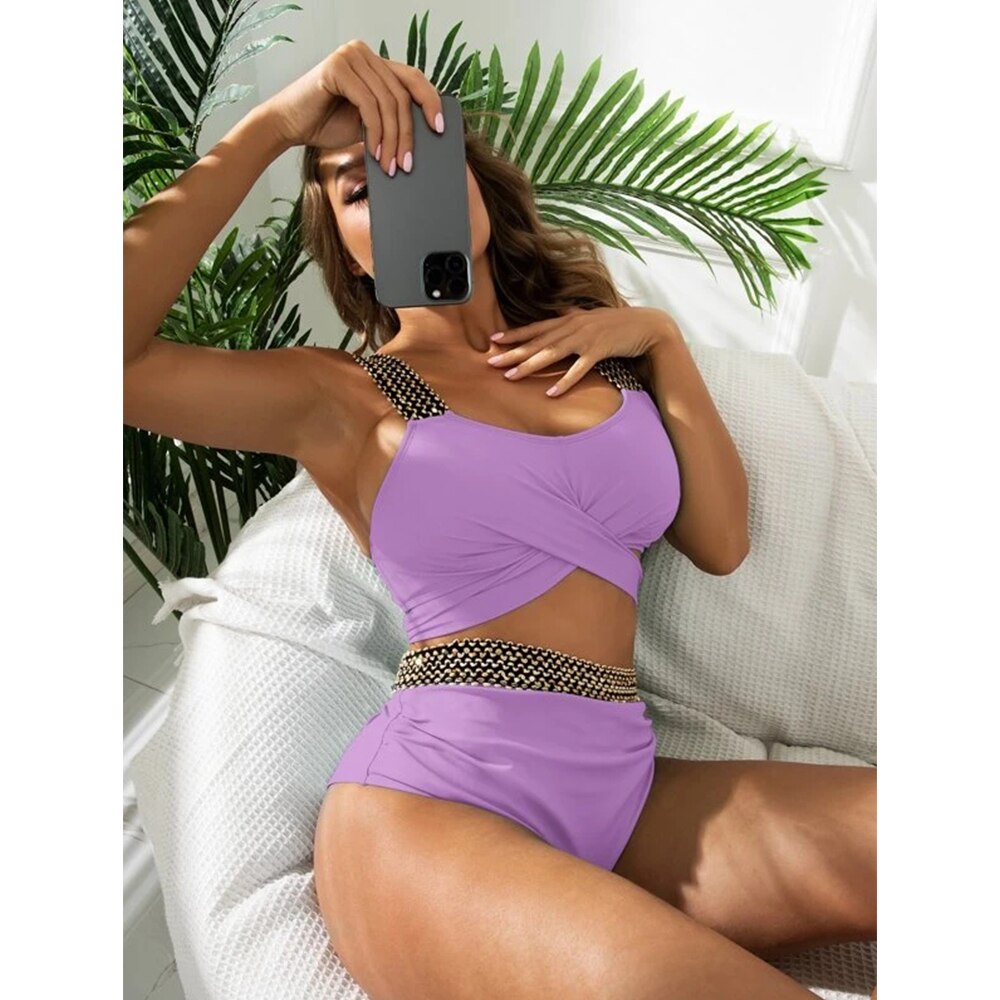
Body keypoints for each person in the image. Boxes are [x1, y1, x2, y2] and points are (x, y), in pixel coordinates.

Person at [124, 39, 876, 1000]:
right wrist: (275, 126)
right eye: (358, 186)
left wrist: (662, 340)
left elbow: (722, 543)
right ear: (345, 248)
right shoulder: (343, 397)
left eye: (418, 153)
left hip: (626, 789)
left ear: (475, 180)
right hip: (430, 812)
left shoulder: (598, 356)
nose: (397, 181)